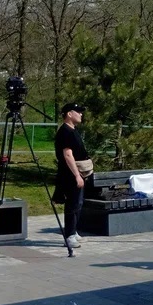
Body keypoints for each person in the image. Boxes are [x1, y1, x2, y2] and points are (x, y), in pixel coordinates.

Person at [54, 102, 91, 252]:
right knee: (72, 204)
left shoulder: (73, 130)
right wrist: (76, 175)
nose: (81, 114)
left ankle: (74, 231)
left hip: (78, 172)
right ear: (69, 114)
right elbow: (68, 155)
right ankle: (69, 235)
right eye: (78, 111)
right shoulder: (65, 131)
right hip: (69, 174)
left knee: (78, 203)